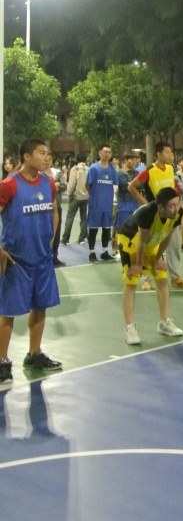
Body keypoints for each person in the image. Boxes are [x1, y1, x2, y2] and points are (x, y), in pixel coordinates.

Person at [0, 138, 63, 383]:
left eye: (48, 153)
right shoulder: (9, 185)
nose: (46, 157)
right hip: (16, 261)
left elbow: (54, 211)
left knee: (40, 306)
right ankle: (2, 361)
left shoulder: (48, 183)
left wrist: (51, 237)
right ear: (27, 156)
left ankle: (34, 354)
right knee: (7, 312)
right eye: (41, 153)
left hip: (42, 259)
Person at [117, 187, 183, 345]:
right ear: (160, 207)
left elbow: (166, 237)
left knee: (162, 277)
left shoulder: (177, 214)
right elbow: (141, 241)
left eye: (177, 204)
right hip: (130, 241)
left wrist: (156, 259)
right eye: (171, 206)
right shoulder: (147, 214)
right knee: (131, 281)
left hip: (150, 242)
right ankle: (130, 328)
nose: (176, 209)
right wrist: (139, 264)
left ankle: (164, 323)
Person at [128, 141, 183, 288]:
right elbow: (131, 187)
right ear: (158, 154)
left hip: (171, 215)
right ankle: (147, 280)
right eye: (167, 152)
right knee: (150, 247)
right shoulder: (149, 171)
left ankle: (176, 277)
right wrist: (145, 204)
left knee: (174, 245)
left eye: (171, 152)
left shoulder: (170, 169)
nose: (170, 155)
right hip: (155, 216)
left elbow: (172, 188)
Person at [86, 144, 117, 262]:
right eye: (105, 152)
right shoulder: (93, 168)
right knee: (93, 229)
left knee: (106, 228)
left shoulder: (112, 169)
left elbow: (115, 186)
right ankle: (91, 252)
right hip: (95, 205)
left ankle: (104, 251)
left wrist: (113, 202)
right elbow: (87, 185)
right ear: (100, 153)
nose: (107, 154)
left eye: (109, 152)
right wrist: (94, 195)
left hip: (107, 205)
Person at [61, 151, 89, 245]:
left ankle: (65, 239)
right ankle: (82, 238)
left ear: (77, 159)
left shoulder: (75, 169)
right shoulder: (89, 169)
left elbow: (72, 183)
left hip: (75, 197)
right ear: (85, 159)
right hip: (85, 197)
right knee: (84, 218)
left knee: (70, 217)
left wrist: (69, 193)